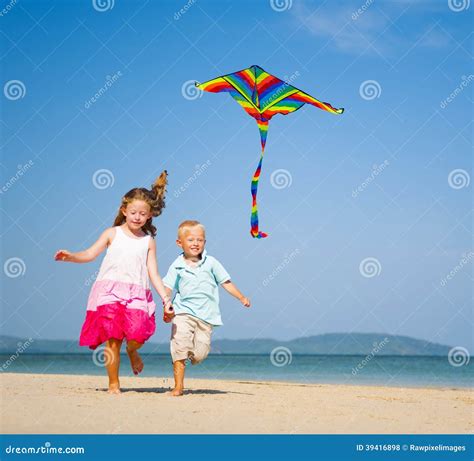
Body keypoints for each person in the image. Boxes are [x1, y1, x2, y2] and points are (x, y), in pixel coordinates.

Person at [55, 171, 173, 394]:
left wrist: (166, 299)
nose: (137, 217)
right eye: (133, 212)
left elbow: (154, 273)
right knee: (113, 339)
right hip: (109, 291)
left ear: (149, 216)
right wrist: (71, 257)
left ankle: (133, 351)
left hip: (137, 293)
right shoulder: (112, 233)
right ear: (124, 211)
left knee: (138, 335)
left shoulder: (148, 241)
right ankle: (113, 384)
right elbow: (90, 254)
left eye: (142, 214)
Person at [163, 220, 250, 396]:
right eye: (190, 240)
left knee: (200, 354)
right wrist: (167, 304)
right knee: (180, 346)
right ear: (180, 243)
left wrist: (241, 297)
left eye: (200, 240)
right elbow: (167, 287)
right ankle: (178, 387)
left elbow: (226, 282)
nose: (195, 243)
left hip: (207, 316)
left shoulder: (211, 263)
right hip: (183, 312)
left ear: (205, 242)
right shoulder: (177, 265)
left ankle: (189, 354)